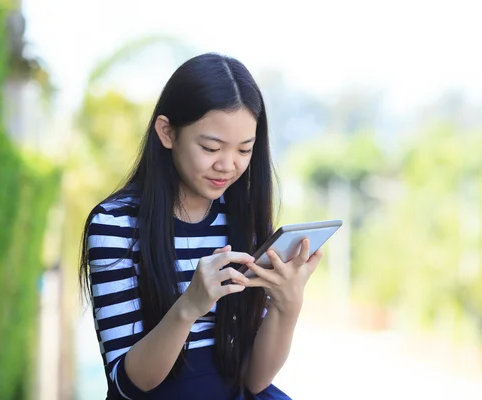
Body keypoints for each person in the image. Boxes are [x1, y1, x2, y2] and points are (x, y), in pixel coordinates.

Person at [78, 52, 323, 399]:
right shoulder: (115, 224)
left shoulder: (242, 219)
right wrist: (190, 305)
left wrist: (288, 303)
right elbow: (128, 384)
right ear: (167, 132)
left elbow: (254, 380)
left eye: (244, 150)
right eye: (211, 147)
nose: (228, 165)